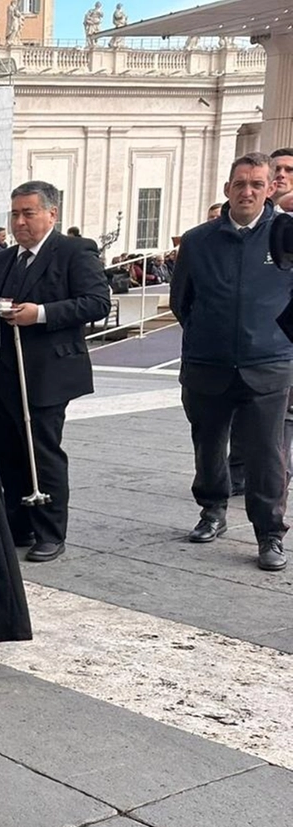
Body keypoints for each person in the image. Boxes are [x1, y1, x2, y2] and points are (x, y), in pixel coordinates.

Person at [171, 153, 293, 571]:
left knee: (266, 454)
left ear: (270, 188)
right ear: (227, 189)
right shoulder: (198, 240)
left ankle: (270, 535)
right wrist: (208, 336)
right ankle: (212, 511)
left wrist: (278, 339)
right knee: (208, 446)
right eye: (240, 184)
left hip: (268, 364)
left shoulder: (286, 235)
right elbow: (180, 301)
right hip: (208, 364)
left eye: (257, 184)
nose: (247, 192)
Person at [0, 181, 110, 563]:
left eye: (29, 213)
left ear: (51, 214)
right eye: (15, 214)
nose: (20, 221)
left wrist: (39, 313)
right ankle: (18, 522)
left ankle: (50, 531)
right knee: (7, 451)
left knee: (42, 450)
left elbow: (96, 302)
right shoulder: (3, 259)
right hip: (5, 370)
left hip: (47, 372)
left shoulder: (74, 251)